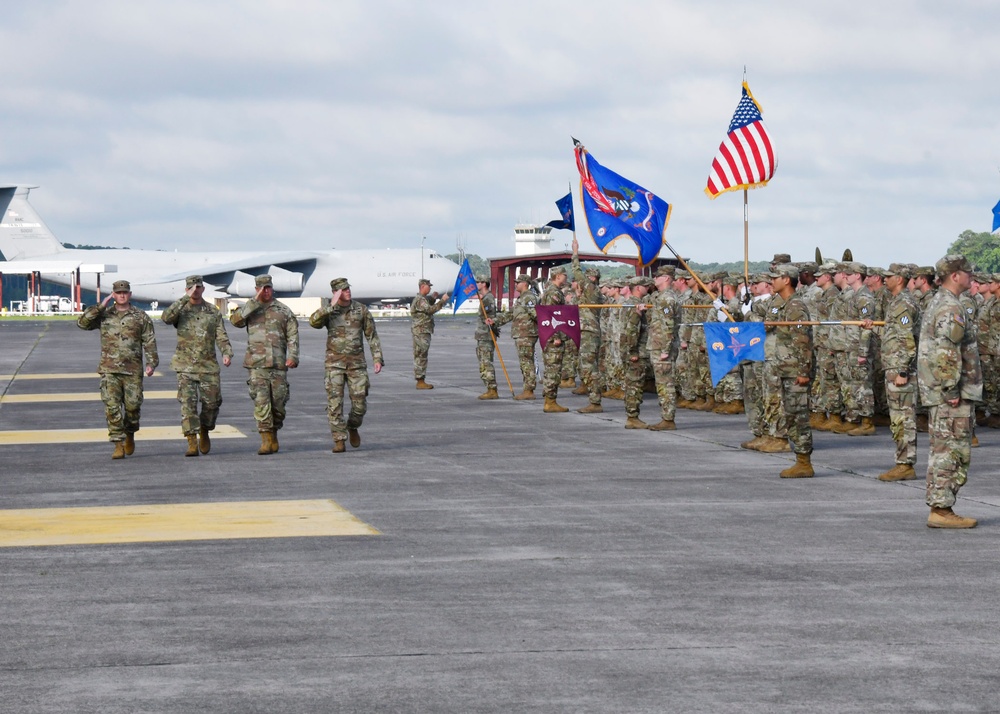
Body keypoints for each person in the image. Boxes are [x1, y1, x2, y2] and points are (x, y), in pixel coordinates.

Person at [917, 255, 982, 528]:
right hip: (950, 393)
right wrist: (951, 388)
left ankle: (941, 507)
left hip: (944, 390)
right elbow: (946, 352)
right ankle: (941, 510)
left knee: (946, 448)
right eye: (967, 273)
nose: (971, 277)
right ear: (954, 275)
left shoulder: (942, 302)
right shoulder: (949, 307)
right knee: (950, 451)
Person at [77, 279, 158, 459]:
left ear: (129, 294)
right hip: (109, 370)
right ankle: (118, 443)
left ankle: (129, 433)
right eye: (118, 293)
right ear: (113, 295)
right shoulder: (105, 315)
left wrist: (152, 363)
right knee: (111, 406)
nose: (122, 295)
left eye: (125, 292)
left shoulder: (140, 316)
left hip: (133, 370)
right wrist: (100, 306)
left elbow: (149, 340)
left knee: (133, 407)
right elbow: (82, 323)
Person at [161, 275, 234, 457]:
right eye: (192, 288)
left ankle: (205, 430)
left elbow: (221, 335)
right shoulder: (181, 309)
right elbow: (166, 318)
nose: (196, 290)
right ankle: (191, 440)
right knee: (188, 404)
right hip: (185, 366)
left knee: (212, 404)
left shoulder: (212, 311)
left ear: (203, 289)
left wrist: (226, 352)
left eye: (199, 287)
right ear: (186, 290)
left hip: (208, 366)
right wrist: (185, 298)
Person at [309, 278, 384, 453]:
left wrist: (377, 358)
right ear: (335, 293)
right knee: (334, 404)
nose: (348, 291)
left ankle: (352, 426)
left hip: (356, 364)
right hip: (334, 365)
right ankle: (339, 439)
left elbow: (372, 335)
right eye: (343, 290)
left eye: (348, 288)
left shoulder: (361, 309)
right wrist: (330, 307)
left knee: (360, 404)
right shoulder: (330, 311)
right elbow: (313, 322)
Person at [230, 274, 299, 455]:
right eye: (262, 288)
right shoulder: (250, 308)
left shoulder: (283, 310)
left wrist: (292, 356)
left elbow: (292, 336)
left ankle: (274, 431)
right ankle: (265, 439)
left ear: (272, 288)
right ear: (256, 289)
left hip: (278, 364)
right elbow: (236, 321)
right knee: (261, 403)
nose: (265, 291)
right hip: (257, 364)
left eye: (268, 288)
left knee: (278, 404)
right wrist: (254, 301)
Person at [765, 263, 814, 477]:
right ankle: (800, 458)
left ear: (787, 280)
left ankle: (804, 461)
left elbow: (802, 341)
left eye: (775, 277)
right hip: (786, 368)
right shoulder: (784, 305)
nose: (771, 281)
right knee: (791, 415)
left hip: (795, 371)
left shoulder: (795, 307)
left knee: (798, 415)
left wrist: (804, 372)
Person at [876, 264, 919, 481]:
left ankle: (905, 464)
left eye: (889, 276)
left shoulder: (903, 303)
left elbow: (907, 341)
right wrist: (872, 327)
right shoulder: (896, 301)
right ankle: (902, 461)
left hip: (901, 371)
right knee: (897, 418)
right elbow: (892, 335)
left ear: (900, 279)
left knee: (904, 418)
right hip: (893, 367)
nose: (885, 279)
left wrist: (903, 370)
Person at [570, 236, 604, 412]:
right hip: (589, 330)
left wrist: (575, 253)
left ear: (592, 278)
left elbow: (576, 272)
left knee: (590, 367)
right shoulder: (591, 292)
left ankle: (595, 401)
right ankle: (593, 398)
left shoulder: (591, 288)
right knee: (588, 366)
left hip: (589, 331)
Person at [494, 273, 538, 400]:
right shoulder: (521, 298)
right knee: (524, 362)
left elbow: (536, 314)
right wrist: (495, 321)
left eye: (517, 282)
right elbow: (511, 314)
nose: (515, 284)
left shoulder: (528, 298)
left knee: (526, 362)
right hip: (521, 334)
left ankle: (529, 390)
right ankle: (527, 388)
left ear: (525, 284)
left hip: (526, 334)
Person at [539, 266, 570, 413]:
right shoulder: (553, 293)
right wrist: (556, 336)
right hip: (553, 337)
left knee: (553, 368)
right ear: (558, 276)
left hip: (551, 335)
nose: (566, 277)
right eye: (564, 275)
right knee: (553, 369)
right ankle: (550, 401)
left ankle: (550, 399)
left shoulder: (553, 291)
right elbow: (551, 315)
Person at [410, 278, 449, 389]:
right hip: (421, 332)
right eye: (428, 286)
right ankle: (420, 381)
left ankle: (420, 379)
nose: (430, 288)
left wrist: (432, 299)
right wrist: (442, 301)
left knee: (421, 355)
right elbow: (430, 310)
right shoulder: (420, 299)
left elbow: (426, 306)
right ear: (423, 286)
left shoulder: (422, 299)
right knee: (421, 355)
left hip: (422, 331)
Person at [474, 276, 500, 400]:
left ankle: (492, 389)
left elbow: (490, 317)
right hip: (482, 335)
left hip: (486, 336)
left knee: (486, 362)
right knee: (483, 362)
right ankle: (489, 387)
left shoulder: (488, 298)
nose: (476, 284)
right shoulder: (484, 298)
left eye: (478, 282)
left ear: (484, 284)